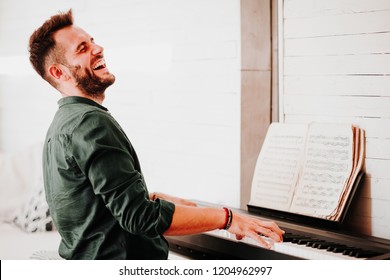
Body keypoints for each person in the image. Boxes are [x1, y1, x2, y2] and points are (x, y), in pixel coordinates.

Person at [28, 9, 284, 260]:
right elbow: (139, 218)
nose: (98, 48)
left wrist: (154, 198)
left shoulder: (62, 124)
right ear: (59, 73)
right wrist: (228, 219)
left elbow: (91, 206)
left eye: (92, 40)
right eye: (82, 48)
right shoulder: (91, 123)